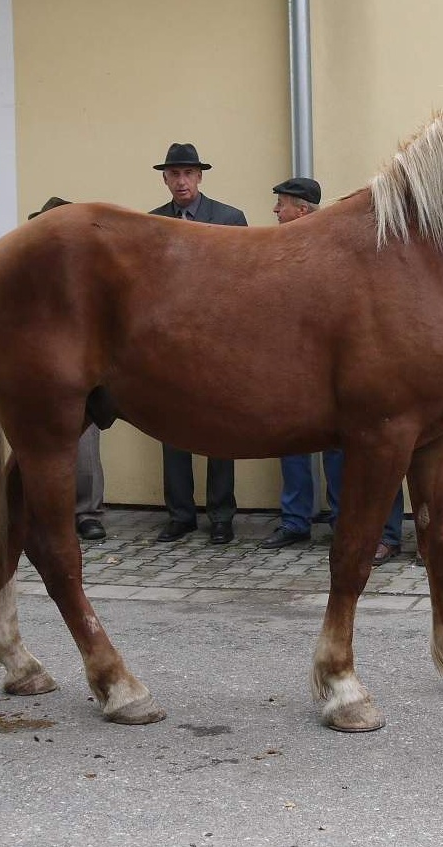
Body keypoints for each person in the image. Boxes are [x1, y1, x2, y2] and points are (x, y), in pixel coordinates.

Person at [258, 178, 405, 564]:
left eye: (282, 204)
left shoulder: (337, 251)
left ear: (302, 210)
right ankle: (296, 521)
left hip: (349, 376)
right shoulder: (280, 254)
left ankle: (364, 529)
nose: (275, 211)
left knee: (366, 453)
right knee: (291, 446)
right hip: (293, 372)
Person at [149, 143, 247, 545]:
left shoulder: (228, 218)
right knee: (172, 427)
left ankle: (221, 515)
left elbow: (244, 279)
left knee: (219, 427)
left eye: (188, 173)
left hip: (219, 339)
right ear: (166, 179)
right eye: (175, 174)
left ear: (200, 177)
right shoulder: (153, 223)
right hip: (171, 341)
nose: (182, 180)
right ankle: (180, 513)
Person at [27, 196, 107, 541]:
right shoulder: (31, 271)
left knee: (85, 444)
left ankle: (87, 512)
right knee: (36, 444)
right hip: (43, 368)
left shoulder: (87, 271)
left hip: (81, 367)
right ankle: (43, 513)